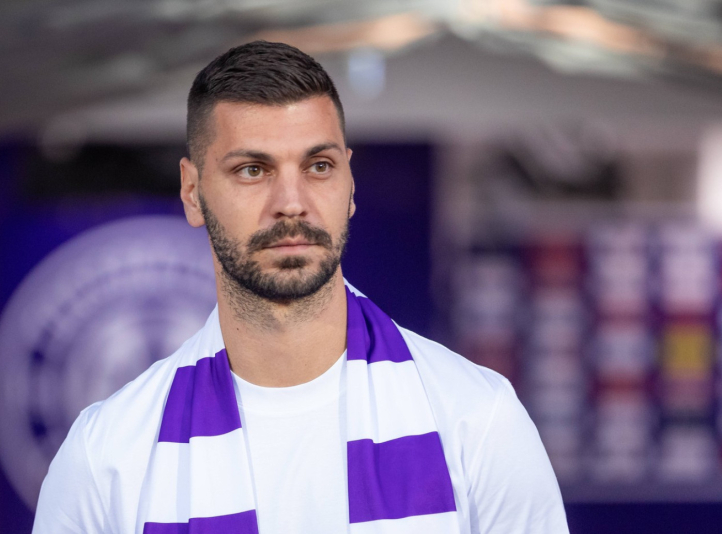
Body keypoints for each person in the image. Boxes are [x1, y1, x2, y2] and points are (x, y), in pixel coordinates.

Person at [32, 41, 569, 534]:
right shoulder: (106, 457)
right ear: (193, 192)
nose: (291, 202)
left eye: (318, 166)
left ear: (350, 184)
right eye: (252, 170)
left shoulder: (477, 420)